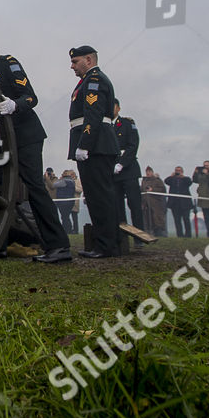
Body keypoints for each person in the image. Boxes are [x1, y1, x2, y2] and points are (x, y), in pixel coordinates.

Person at [0, 31, 72, 264]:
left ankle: (59, 246)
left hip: (27, 135)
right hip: (5, 140)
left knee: (35, 188)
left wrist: (14, 105)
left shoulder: (7, 63)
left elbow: (31, 97)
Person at [66, 44, 122, 259]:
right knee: (99, 196)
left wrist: (84, 144)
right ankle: (107, 243)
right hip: (96, 145)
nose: (72, 66)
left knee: (100, 197)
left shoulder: (94, 80)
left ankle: (106, 246)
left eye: (75, 61)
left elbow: (94, 114)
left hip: (96, 146)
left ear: (88, 60)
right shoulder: (87, 81)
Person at [112, 103, 144, 236]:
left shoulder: (127, 123)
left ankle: (139, 235)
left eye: (113, 106)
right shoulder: (105, 125)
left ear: (118, 108)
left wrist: (122, 164)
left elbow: (133, 145)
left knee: (134, 204)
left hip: (129, 170)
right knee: (117, 205)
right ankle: (122, 235)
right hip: (112, 171)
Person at [164, 166, 194, 238]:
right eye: (176, 170)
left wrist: (182, 177)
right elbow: (166, 181)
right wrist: (171, 176)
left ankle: (188, 235)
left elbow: (189, 182)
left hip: (185, 204)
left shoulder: (186, 179)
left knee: (186, 220)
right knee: (177, 221)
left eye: (179, 170)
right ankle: (180, 235)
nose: (178, 172)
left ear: (182, 171)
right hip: (175, 203)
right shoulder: (172, 179)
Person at [193, 161, 209, 236]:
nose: (205, 167)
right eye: (204, 165)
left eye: (207, 165)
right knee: (206, 218)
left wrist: (207, 174)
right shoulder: (201, 174)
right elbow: (195, 180)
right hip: (203, 197)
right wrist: (195, 172)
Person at [140, 167, 167, 236]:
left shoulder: (157, 180)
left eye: (149, 171)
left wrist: (153, 190)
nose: (148, 173)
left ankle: (159, 234)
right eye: (147, 171)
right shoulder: (144, 180)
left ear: (152, 172)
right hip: (146, 203)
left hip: (156, 204)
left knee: (157, 220)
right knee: (148, 220)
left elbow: (163, 190)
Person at [54, 169, 78, 234]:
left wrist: (59, 179)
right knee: (66, 216)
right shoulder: (72, 181)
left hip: (63, 202)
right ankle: (68, 229)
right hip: (70, 201)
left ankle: (67, 230)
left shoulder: (64, 181)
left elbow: (55, 185)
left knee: (64, 217)